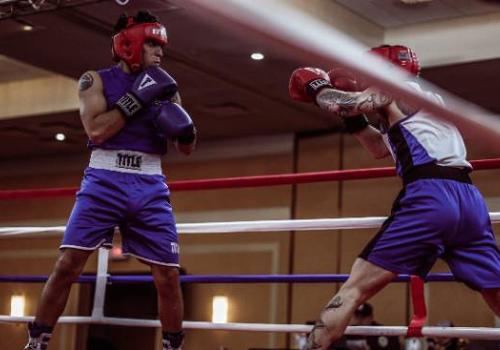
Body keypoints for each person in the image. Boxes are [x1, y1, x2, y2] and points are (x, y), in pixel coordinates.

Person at [288, 44, 500, 350]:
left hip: (430, 197)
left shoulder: (393, 88)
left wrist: (318, 87)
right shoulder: (427, 100)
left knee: (354, 290)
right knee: (495, 290)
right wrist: (354, 119)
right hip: (469, 199)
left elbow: (346, 105)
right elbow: (378, 147)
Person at [24, 10, 196, 350]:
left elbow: (186, 148)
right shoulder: (95, 80)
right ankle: (37, 341)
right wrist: (137, 99)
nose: (160, 52)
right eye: (151, 44)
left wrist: (186, 129)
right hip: (104, 178)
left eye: (161, 46)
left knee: (169, 275)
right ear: (128, 43)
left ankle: (173, 346)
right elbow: (97, 130)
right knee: (68, 264)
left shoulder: (166, 87)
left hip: (149, 182)